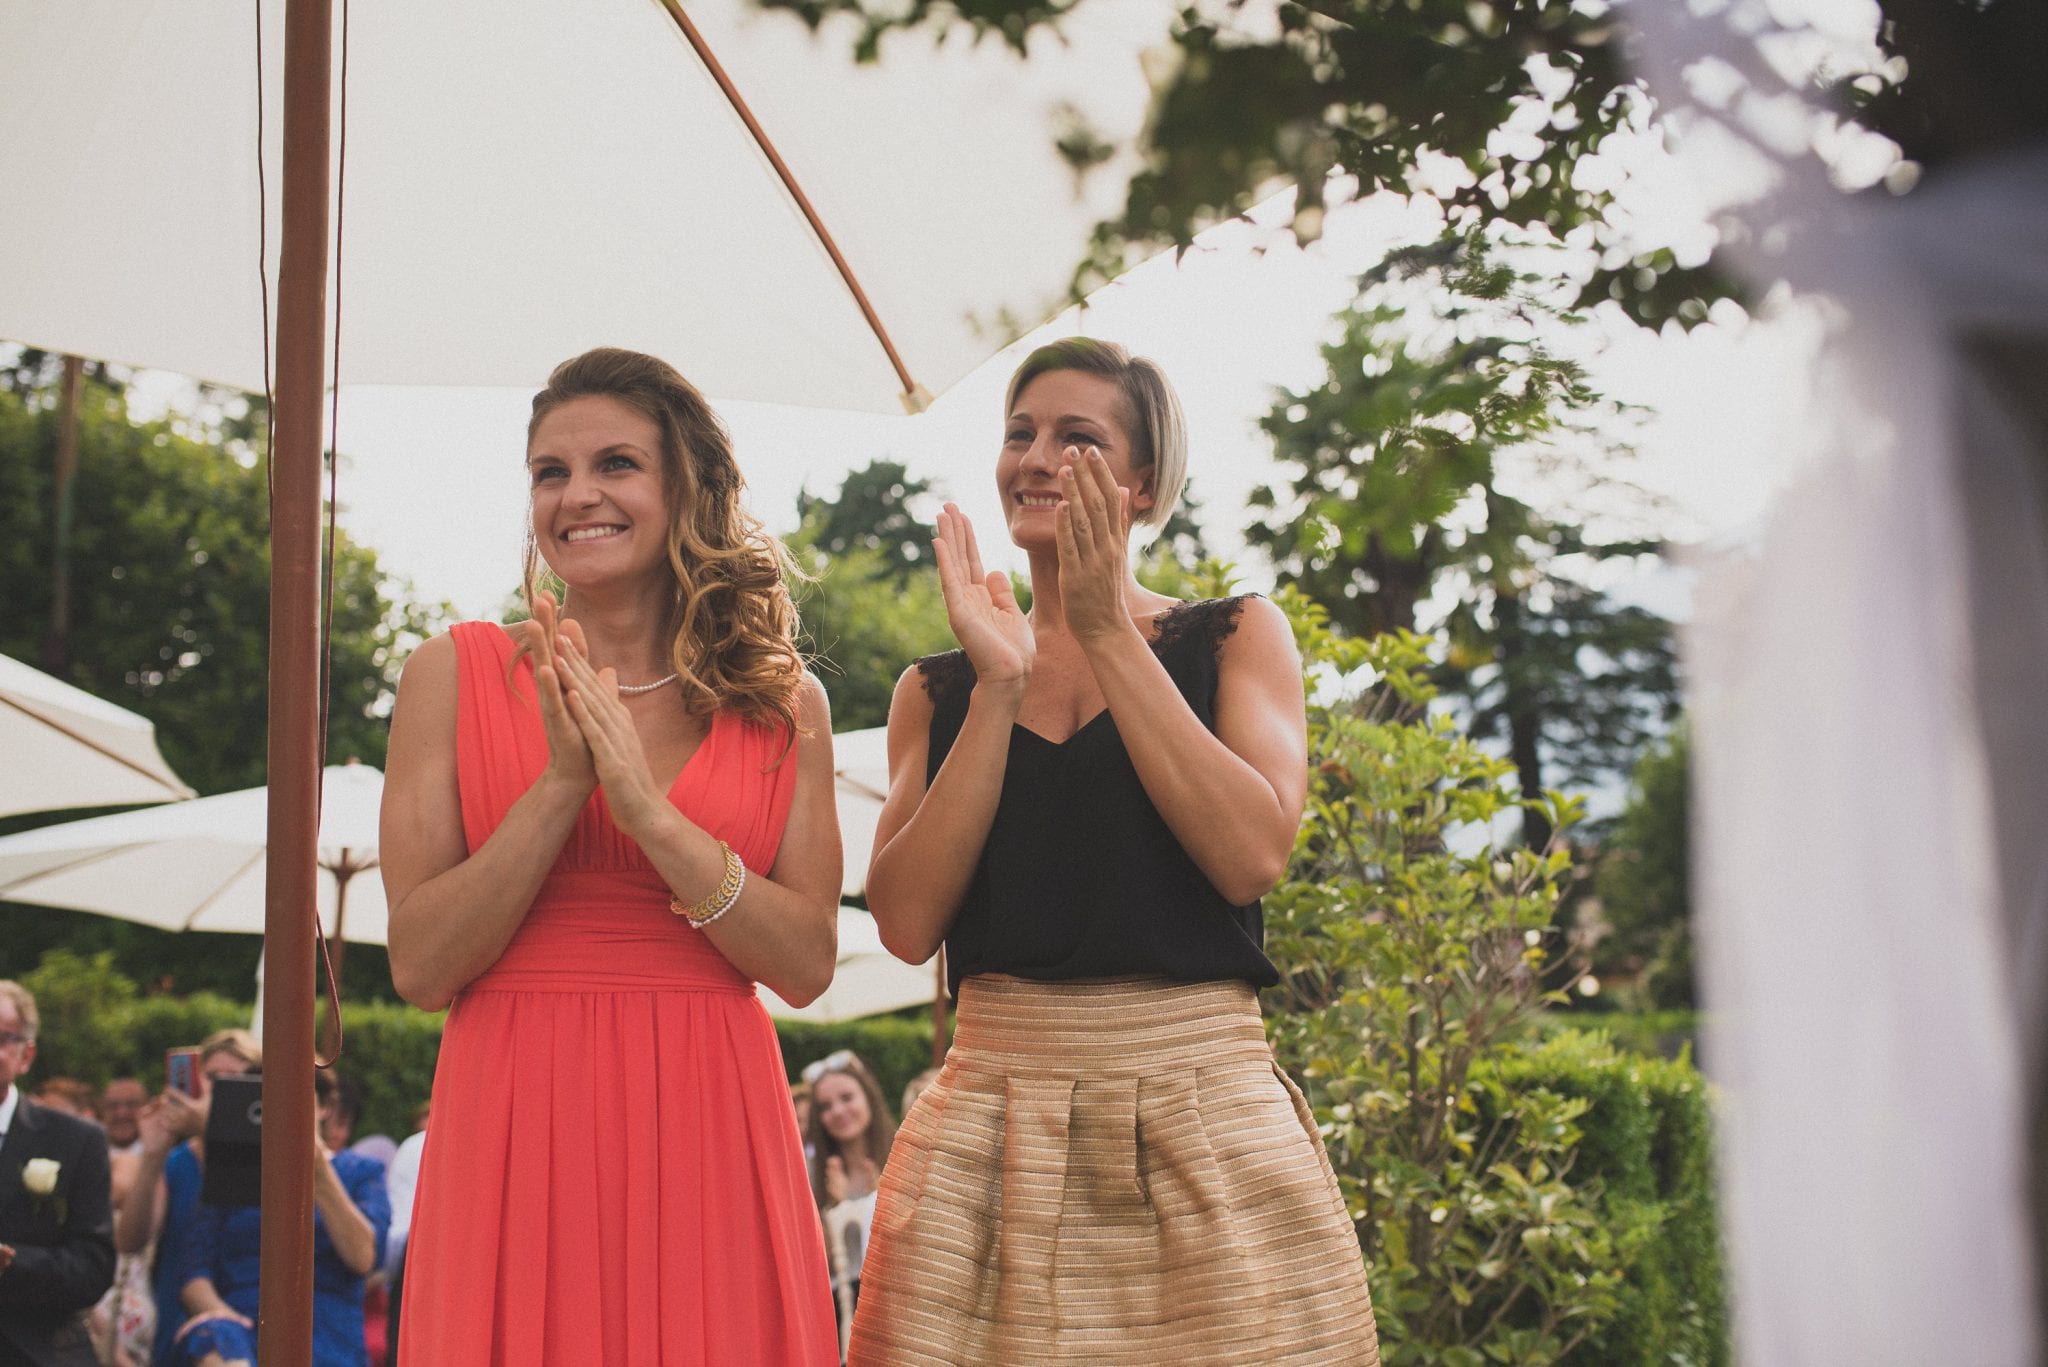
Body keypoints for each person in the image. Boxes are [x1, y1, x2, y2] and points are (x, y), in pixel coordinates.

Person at [850, 338, 1380, 1364]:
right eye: (1020, 433)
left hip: (1203, 1117)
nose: (1035, 457)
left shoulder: (1234, 635)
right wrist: (998, 689)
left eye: (1076, 437)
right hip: (993, 1125)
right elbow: (906, 924)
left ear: (1141, 483)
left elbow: (1249, 855)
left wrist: (1105, 630)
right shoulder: (937, 688)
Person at [381, 347, 841, 1364]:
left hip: (710, 1116)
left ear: (688, 489)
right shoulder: (449, 674)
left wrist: (650, 816)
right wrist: (560, 788)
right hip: (512, 1111)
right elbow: (418, 964)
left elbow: (808, 962)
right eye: (550, 472)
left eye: (615, 464)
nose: (576, 494)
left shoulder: (783, 703)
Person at [169, 1068, 388, 1367]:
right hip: (242, 1326)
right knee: (213, 1340)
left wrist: (318, 1171)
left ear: (323, 1107)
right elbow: (194, 1272)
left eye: (295, 1098)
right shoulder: (232, 1174)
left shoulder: (360, 1172)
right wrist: (230, 1322)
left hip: (326, 1330)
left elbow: (364, 1258)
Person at [115, 1030, 259, 1367]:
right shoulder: (178, 1162)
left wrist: (214, 1128)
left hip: (252, 1315)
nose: (219, 1088)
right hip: (182, 1321)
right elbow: (131, 1240)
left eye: (233, 1079)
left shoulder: (268, 1159)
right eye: (211, 1077)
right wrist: (153, 1155)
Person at [0, 980, 116, 1367]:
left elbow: (93, 1268)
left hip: (35, 1349)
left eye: (1, 1037)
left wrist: (12, 1263)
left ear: (26, 1055)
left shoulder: (75, 1139)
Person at [801, 1052, 895, 1351]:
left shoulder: (905, 1155)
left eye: (846, 1098)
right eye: (825, 1106)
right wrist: (835, 1211)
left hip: (898, 1308)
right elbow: (814, 1264)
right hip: (844, 1319)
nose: (838, 1111)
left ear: (868, 1097)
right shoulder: (810, 1175)